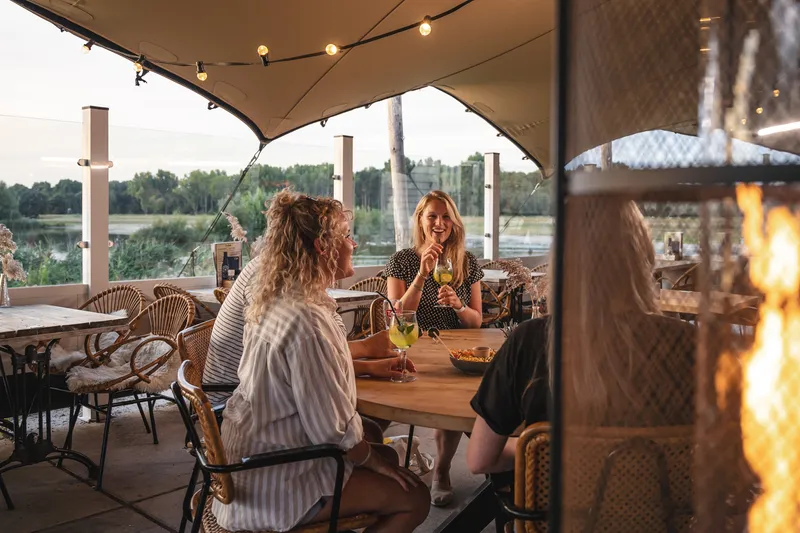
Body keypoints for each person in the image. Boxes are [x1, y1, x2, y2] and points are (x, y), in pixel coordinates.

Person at [466, 197, 696, 476]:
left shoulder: (530, 341)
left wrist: (543, 448)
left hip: (554, 504)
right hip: (661, 503)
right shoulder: (687, 343)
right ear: (642, 255)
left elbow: (479, 460)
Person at [204, 241, 416, 442]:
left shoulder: (291, 278)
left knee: (368, 423)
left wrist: (367, 366)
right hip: (237, 406)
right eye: (345, 235)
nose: (354, 244)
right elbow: (302, 350)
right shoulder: (275, 286)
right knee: (363, 424)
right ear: (321, 244)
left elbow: (305, 359)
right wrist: (365, 348)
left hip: (265, 396)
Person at [385, 190, 484, 507]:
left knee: (459, 395)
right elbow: (398, 316)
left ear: (454, 223)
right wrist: (422, 274)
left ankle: (442, 469)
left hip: (455, 350)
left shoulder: (467, 262)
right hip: (414, 348)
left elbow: (476, 322)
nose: (439, 223)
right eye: (432, 216)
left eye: (446, 217)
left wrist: (459, 306)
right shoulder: (402, 260)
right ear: (420, 220)